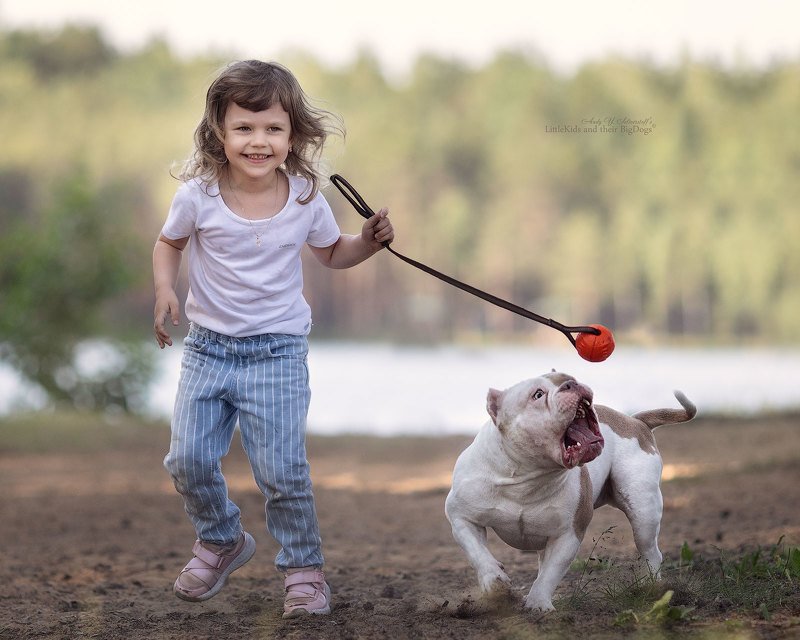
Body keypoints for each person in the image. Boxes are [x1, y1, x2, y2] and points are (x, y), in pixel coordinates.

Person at [152, 60, 393, 618]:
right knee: (186, 459)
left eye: (273, 129)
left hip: (277, 353)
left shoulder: (306, 196)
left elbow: (332, 253)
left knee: (282, 473)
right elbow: (169, 244)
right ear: (218, 131)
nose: (258, 141)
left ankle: (304, 571)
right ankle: (221, 539)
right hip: (208, 350)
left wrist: (368, 242)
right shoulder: (198, 195)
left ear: (292, 134)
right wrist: (165, 288)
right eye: (244, 127)